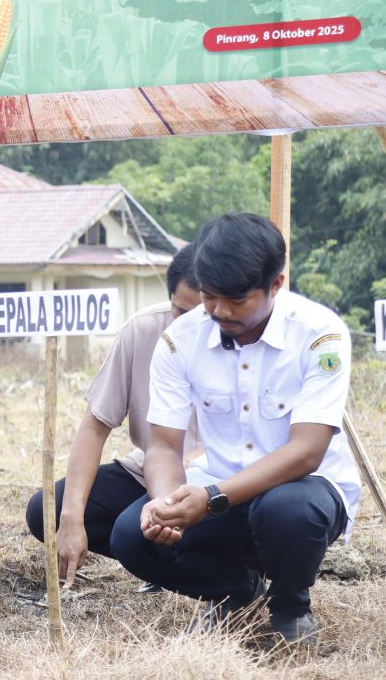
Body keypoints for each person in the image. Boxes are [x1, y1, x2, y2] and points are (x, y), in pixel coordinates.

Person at [109, 213, 360, 645]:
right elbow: (164, 446)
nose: (221, 311)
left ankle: (290, 609)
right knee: (132, 535)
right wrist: (166, 505)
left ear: (276, 284)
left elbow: (306, 452)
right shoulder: (179, 340)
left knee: (285, 508)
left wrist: (210, 499)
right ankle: (238, 593)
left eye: (237, 300)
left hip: (305, 492)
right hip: (219, 488)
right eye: (210, 297)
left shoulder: (320, 335)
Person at [25, 243, 201, 587]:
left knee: (131, 530)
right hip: (151, 471)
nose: (190, 327)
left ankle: (228, 580)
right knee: (46, 511)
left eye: (203, 316)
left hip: (217, 481)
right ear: (170, 298)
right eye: (181, 312)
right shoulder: (143, 330)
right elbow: (95, 426)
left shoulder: (243, 337)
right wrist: (71, 518)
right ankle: (164, 567)